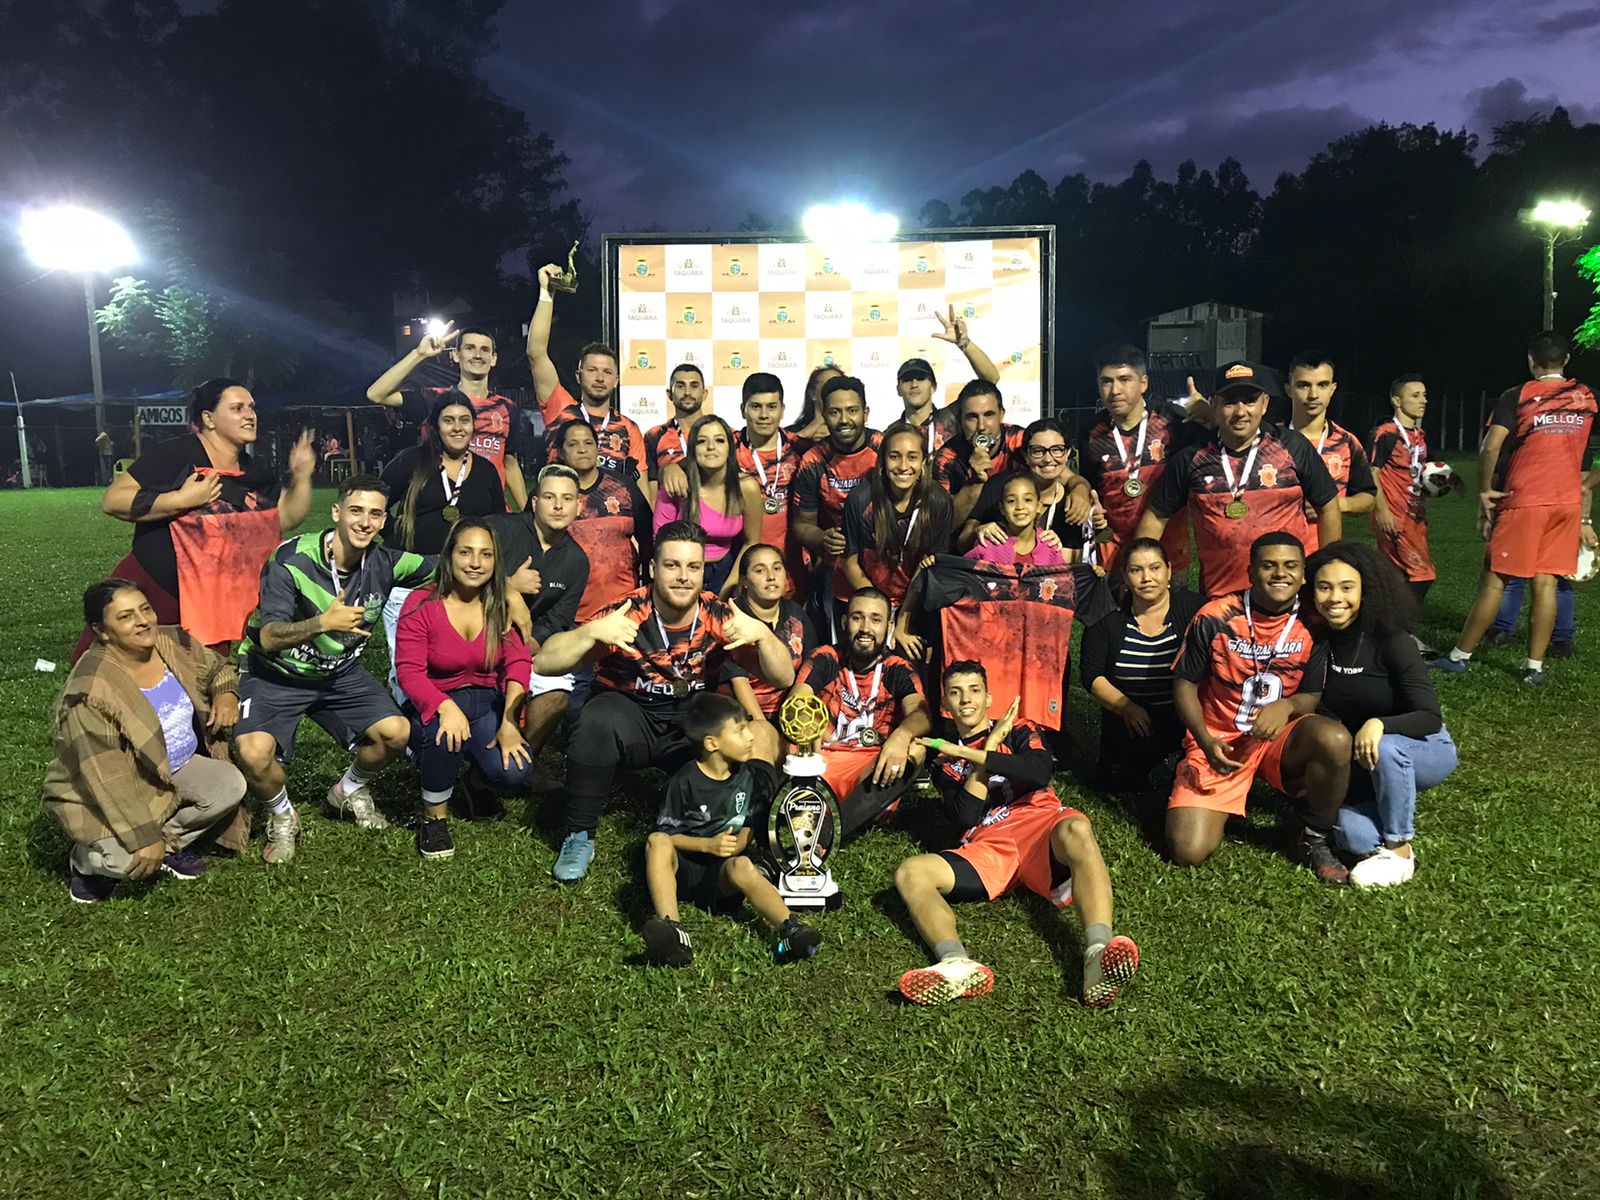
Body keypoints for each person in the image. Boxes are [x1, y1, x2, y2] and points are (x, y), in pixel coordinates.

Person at [534, 522, 795, 882]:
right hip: (631, 714)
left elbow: (783, 678)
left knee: (757, 736)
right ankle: (579, 834)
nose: (683, 577)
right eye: (672, 565)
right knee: (597, 718)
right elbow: (545, 661)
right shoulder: (627, 611)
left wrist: (764, 636)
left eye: (693, 567)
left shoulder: (718, 615)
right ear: (654, 569)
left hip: (692, 724)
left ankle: (753, 831)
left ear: (704, 571)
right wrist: (590, 632)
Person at [894, 663, 1139, 1007]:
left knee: (1078, 827)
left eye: (975, 690)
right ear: (946, 706)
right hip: (989, 845)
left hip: (1039, 825)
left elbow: (1040, 772)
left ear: (989, 697)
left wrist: (977, 751)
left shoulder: (1020, 728)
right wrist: (983, 753)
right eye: (955, 692)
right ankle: (955, 962)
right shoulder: (944, 763)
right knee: (910, 872)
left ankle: (1098, 953)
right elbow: (963, 815)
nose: (966, 699)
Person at [230, 475, 426, 865]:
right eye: (355, 511)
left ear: (384, 521)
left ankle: (347, 791)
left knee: (397, 733)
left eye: (375, 514)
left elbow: (452, 566)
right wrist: (322, 623)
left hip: (338, 675)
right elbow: (268, 637)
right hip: (275, 674)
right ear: (336, 512)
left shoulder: (386, 561)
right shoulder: (292, 560)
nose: (365, 522)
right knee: (252, 754)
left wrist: (508, 583)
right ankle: (283, 813)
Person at [45, 580, 249, 903]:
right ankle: (85, 863)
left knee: (230, 786)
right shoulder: (91, 692)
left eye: (145, 609)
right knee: (131, 860)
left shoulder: (172, 642)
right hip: (110, 788)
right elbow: (107, 777)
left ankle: (168, 844)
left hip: (171, 768)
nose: (143, 621)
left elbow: (217, 667)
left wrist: (226, 693)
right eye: (125, 617)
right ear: (102, 631)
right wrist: (143, 836)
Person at [1166, 532, 1353, 884]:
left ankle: (1314, 836)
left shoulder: (1313, 623)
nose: (1280, 574)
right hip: (1220, 739)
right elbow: (1184, 684)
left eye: (1290, 566)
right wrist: (1205, 741)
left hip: (1276, 738)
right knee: (1187, 851)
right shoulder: (1216, 615)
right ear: (1251, 572)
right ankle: (1220, 792)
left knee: (1335, 738)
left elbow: (1311, 694)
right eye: (1269, 565)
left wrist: (1287, 706)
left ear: (1302, 576)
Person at [91, 378, 315, 656]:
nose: (250, 415)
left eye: (252, 408)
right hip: (154, 588)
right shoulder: (177, 454)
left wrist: (302, 477)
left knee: (203, 683)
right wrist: (182, 500)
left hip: (213, 603)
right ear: (208, 418)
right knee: (121, 673)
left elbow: (283, 519)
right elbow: (114, 500)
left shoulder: (254, 472)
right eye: (237, 408)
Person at [1432, 331, 1597, 684]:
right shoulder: (1586, 396)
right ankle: (1534, 668)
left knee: (1495, 580)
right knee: (1546, 584)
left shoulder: (1518, 395)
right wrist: (1587, 483)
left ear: (1530, 360)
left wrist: (1485, 490)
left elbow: (1491, 447)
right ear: (1566, 361)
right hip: (1565, 504)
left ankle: (1459, 657)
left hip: (1526, 500)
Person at [1305, 542, 1456, 887]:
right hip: (1362, 757)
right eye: (1324, 587)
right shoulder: (1318, 641)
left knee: (1388, 748)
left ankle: (1399, 848)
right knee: (1351, 836)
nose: (1334, 598)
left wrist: (1379, 724)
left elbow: (1429, 716)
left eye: (1347, 587)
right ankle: (1387, 812)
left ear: (1365, 591)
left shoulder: (1392, 640)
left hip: (1421, 746)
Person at [642, 692, 823, 967]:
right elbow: (667, 834)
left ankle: (790, 929)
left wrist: (737, 846)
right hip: (684, 867)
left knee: (744, 866)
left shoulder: (750, 778)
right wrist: (706, 845)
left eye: (747, 728)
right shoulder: (685, 781)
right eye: (739, 731)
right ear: (712, 743)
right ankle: (672, 930)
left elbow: (751, 824)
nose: (750, 737)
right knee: (656, 842)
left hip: (721, 876)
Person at [1136, 361, 1341, 598]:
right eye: (1230, 402)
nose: (1241, 411)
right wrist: (1142, 570)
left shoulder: (1293, 446)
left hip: (1288, 598)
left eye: (1250, 401)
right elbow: (1155, 517)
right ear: (1214, 406)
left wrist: (1330, 568)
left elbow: (1328, 507)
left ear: (1264, 404)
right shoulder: (1191, 458)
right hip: (1219, 601)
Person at [396, 520, 536, 858]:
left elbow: (519, 663)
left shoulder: (500, 604)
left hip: (487, 702)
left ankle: (473, 782)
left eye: (485, 555)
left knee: (515, 769)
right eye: (466, 552)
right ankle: (434, 818)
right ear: (449, 556)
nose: (476, 563)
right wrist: (444, 706)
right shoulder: (421, 604)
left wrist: (509, 720)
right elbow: (409, 672)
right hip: (434, 698)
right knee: (446, 736)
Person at [378, 392, 506, 694]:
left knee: (452, 661)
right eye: (449, 420)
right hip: (411, 583)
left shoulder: (486, 470)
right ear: (436, 425)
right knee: (408, 668)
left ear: (474, 426)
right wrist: (393, 544)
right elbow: (375, 504)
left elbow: (499, 525)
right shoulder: (411, 461)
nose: (457, 427)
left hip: (465, 586)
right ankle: (408, 735)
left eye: (465, 420)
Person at [787, 588, 931, 837]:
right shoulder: (826, 658)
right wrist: (808, 726)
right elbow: (797, 698)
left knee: (915, 748)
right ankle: (842, 821)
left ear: (889, 626)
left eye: (875, 620)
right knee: (767, 737)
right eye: (857, 617)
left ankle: (830, 831)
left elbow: (921, 714)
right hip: (822, 761)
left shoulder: (897, 668)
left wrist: (901, 735)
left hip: (869, 771)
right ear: (844, 622)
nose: (865, 628)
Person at [482, 463, 590, 787]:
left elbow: (558, 618)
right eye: (550, 497)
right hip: (480, 635)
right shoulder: (498, 530)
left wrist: (528, 644)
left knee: (558, 694)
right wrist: (507, 586)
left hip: (529, 644)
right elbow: (459, 575)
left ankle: (522, 761)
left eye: (567, 498)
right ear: (534, 502)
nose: (558, 506)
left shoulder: (576, 560)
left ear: (578, 506)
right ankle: (480, 755)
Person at [1080, 537, 1203, 790]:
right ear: (1125, 576)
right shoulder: (1106, 618)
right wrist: (1126, 707)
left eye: (1155, 568)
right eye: (1137, 570)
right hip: (1134, 716)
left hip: (1189, 714)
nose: (1147, 578)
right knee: (1122, 785)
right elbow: (1091, 674)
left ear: (1169, 570)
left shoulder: (1197, 610)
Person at [1074, 345, 1208, 573]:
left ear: (1143, 383)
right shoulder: (1091, 432)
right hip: (1113, 547)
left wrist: (1209, 415)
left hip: (1168, 545)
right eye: (1106, 381)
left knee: (1170, 607)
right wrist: (1089, 506)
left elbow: (1220, 446)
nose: (1115, 390)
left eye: (1125, 379)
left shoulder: (1174, 422)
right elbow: (1091, 485)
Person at [366, 321, 528, 510]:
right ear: (455, 355)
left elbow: (509, 463)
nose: (477, 355)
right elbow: (376, 394)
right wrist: (419, 354)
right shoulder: (434, 398)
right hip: (438, 507)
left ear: (493, 359)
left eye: (485, 350)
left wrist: (528, 516)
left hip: (488, 512)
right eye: (470, 348)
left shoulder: (507, 407)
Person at [527, 262, 648, 479]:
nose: (600, 377)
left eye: (607, 372)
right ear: (578, 376)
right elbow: (536, 353)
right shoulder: (560, 410)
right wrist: (547, 293)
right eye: (592, 370)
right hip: (564, 511)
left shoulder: (629, 428)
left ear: (617, 380)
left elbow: (640, 490)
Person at [790, 376, 883, 639]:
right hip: (837, 568)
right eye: (835, 412)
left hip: (885, 563)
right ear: (824, 415)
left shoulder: (884, 448)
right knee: (842, 642)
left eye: (852, 411)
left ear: (865, 413)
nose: (844, 420)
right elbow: (801, 525)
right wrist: (822, 538)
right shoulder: (812, 461)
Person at [841, 422, 954, 618]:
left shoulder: (938, 502)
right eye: (894, 456)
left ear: (924, 462)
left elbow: (929, 566)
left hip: (915, 603)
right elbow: (849, 563)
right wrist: (878, 612)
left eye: (912, 457)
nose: (903, 466)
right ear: (883, 461)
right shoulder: (861, 499)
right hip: (869, 602)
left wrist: (903, 619)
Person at [652, 414, 764, 596]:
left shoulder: (746, 487)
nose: (711, 447)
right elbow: (661, 543)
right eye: (702, 441)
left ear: (729, 448)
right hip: (683, 572)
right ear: (692, 449)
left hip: (727, 570)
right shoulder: (676, 484)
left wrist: (730, 587)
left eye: (719, 440)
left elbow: (751, 541)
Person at [555, 419, 654, 621]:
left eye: (588, 443)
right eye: (573, 444)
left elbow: (648, 538)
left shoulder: (623, 486)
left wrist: (648, 588)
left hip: (623, 610)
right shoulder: (551, 491)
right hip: (568, 615)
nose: (582, 449)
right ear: (561, 452)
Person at [1285, 352, 1377, 553]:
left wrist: (1335, 505)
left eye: (1322, 385)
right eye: (1303, 385)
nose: (1313, 395)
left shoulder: (1346, 442)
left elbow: (1368, 497)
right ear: (1289, 389)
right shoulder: (1272, 440)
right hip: (1277, 559)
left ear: (1333, 389)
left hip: (1324, 556)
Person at [960, 417, 1092, 555]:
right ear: (1025, 456)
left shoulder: (1073, 504)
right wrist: (979, 532)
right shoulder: (1000, 486)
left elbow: (1069, 564)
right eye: (1037, 451)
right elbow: (962, 543)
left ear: (1067, 454)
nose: (1047, 459)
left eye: (1057, 450)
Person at [733, 372, 811, 598]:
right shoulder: (727, 448)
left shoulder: (802, 449)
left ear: (783, 410)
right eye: (756, 407)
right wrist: (673, 468)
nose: (764, 415)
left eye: (771, 406)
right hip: (742, 571)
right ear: (743, 410)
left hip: (793, 572)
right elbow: (687, 461)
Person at [1369, 374, 1438, 607]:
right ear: (1397, 401)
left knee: (1395, 575)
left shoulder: (1420, 435)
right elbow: (1372, 474)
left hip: (1415, 516)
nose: (1423, 401)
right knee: (1422, 574)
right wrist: (1382, 511)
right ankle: (1402, 628)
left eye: (1425, 395)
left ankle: (1387, 628)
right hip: (1394, 516)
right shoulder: (1386, 433)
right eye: (1416, 395)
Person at [895, 304, 1002, 454]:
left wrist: (965, 344)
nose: (914, 384)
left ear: (933, 386)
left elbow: (990, 381)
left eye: (920, 378)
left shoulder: (952, 417)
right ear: (898, 389)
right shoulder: (892, 433)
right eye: (907, 380)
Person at [725, 544, 815, 720]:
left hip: (793, 709)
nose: (771, 577)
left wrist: (798, 710)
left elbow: (811, 663)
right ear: (743, 581)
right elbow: (738, 680)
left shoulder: (795, 613)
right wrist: (760, 724)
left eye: (777, 568)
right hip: (744, 715)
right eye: (760, 571)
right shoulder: (732, 619)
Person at [933, 381, 1026, 524]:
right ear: (960, 420)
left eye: (989, 415)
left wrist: (1074, 485)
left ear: (1001, 414)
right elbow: (946, 524)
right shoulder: (948, 458)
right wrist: (974, 482)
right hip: (966, 539)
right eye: (972, 417)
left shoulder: (1019, 441)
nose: (981, 426)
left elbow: (1061, 476)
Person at [963, 475, 1066, 567]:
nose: (1020, 507)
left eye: (1028, 500)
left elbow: (1065, 583)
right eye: (1011, 501)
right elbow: (964, 575)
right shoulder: (989, 543)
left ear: (1038, 506)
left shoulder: (1050, 545)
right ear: (1002, 509)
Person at [645, 363, 708, 502]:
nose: (687, 392)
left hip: (715, 518)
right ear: (669, 394)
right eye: (680, 386)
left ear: (705, 394)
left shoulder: (720, 434)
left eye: (694, 386)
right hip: (672, 518)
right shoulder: (654, 436)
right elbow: (651, 486)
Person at [786, 364, 842, 441]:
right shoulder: (788, 433)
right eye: (828, 384)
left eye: (839, 386)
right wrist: (806, 433)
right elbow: (783, 451)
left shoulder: (853, 431)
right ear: (813, 394)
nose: (835, 390)